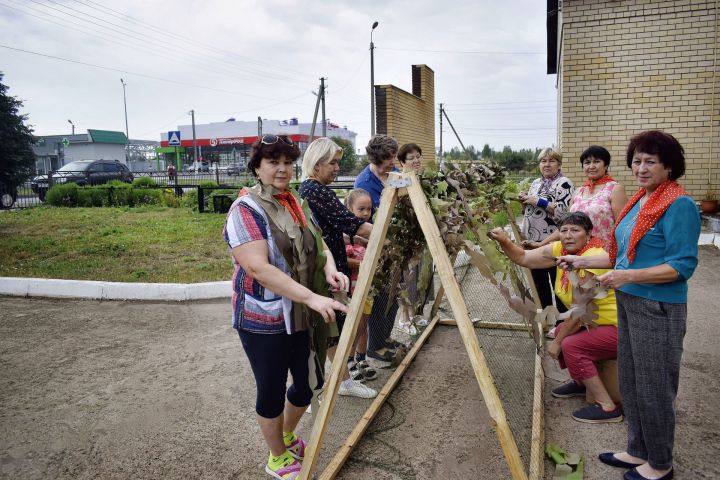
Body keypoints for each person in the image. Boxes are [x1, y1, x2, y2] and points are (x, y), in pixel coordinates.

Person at [558, 130, 700, 480]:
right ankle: (638, 449)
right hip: (630, 302)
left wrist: (628, 277)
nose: (641, 167)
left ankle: (661, 463)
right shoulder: (640, 200)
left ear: (669, 165)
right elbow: (623, 257)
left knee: (654, 386)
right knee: (633, 381)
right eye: (636, 161)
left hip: (658, 308)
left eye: (650, 161)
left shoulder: (678, 204)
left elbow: (682, 266)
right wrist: (582, 263)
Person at [223, 134, 349, 480]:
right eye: (273, 162)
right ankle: (276, 456)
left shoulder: (294, 200)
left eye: (287, 162)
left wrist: (330, 270)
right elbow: (257, 268)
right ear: (257, 167)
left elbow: (315, 241)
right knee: (272, 387)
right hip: (262, 317)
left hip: (299, 312)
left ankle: (288, 435)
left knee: (307, 384)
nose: (282, 169)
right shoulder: (245, 209)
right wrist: (310, 296)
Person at [490, 211, 622, 423]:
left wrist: (558, 344)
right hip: (594, 322)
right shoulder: (560, 249)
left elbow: (580, 312)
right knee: (562, 330)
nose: (568, 235)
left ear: (588, 234)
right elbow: (523, 257)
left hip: (616, 327)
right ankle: (581, 383)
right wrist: (504, 240)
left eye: (575, 230)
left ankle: (607, 407)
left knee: (570, 345)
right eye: (564, 230)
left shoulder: (591, 260)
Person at [298, 137, 377, 398]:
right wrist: (384, 236)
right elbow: (350, 222)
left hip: (330, 264)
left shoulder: (311, 189)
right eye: (332, 163)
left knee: (333, 328)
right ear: (317, 164)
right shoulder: (316, 191)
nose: (336, 168)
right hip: (324, 269)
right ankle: (312, 390)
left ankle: (340, 380)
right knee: (329, 328)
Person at [354, 135, 402, 365]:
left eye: (393, 156)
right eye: (388, 158)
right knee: (381, 296)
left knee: (395, 293)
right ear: (376, 158)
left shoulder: (393, 175)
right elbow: (364, 221)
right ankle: (375, 346)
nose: (392, 161)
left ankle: (386, 336)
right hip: (379, 248)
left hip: (395, 246)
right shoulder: (364, 183)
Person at [526, 145, 627, 248]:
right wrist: (541, 244)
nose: (591, 166)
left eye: (596, 162)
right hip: (576, 255)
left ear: (606, 165)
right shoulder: (578, 192)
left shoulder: (614, 189)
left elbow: (623, 227)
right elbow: (565, 225)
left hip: (603, 254)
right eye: (587, 163)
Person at [519, 147, 574, 312]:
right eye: (543, 161)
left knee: (558, 282)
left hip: (553, 242)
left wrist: (537, 201)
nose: (547, 164)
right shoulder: (536, 183)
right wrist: (525, 202)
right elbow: (528, 211)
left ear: (559, 164)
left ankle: (562, 323)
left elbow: (564, 214)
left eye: (552, 161)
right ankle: (547, 318)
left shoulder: (564, 183)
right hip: (532, 241)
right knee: (539, 283)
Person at [343, 188, 378, 382]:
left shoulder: (368, 230)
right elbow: (343, 259)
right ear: (349, 208)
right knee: (354, 326)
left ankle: (361, 359)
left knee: (364, 325)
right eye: (361, 209)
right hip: (353, 288)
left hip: (368, 287)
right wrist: (362, 264)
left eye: (369, 209)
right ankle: (348, 360)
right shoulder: (345, 234)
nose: (366, 213)